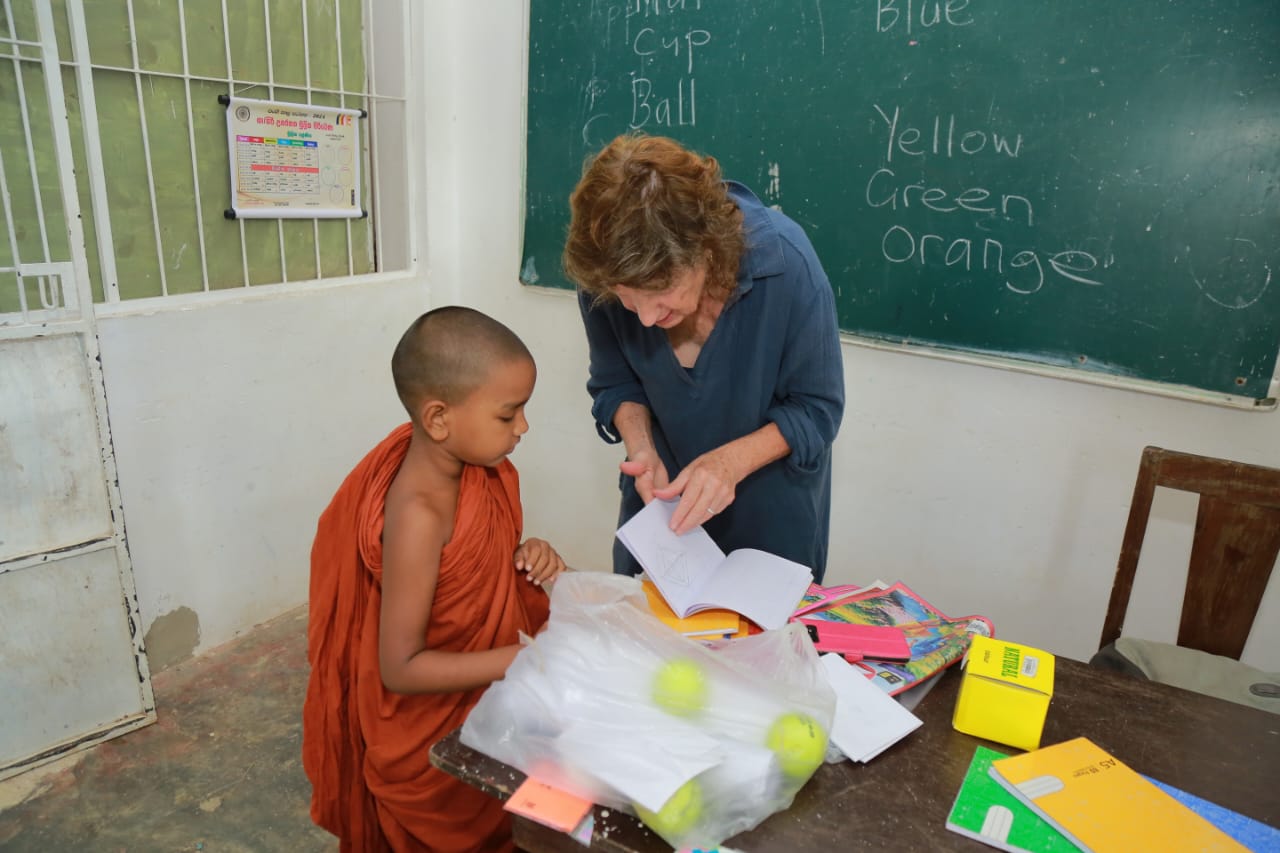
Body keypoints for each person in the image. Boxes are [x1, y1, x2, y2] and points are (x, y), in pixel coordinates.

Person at [303, 306, 566, 852]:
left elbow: (474, 568)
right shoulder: (419, 515)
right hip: (431, 731)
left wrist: (527, 554)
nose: (523, 427)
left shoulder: (479, 473)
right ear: (439, 419)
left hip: (487, 693)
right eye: (508, 414)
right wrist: (524, 660)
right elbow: (400, 668)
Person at [564, 133, 845, 583]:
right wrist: (641, 447)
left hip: (770, 525)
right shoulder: (608, 269)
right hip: (661, 523)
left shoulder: (785, 264)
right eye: (627, 300)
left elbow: (816, 410)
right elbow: (616, 383)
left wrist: (727, 465)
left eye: (660, 294)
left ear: (707, 250)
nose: (647, 318)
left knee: (761, 647)